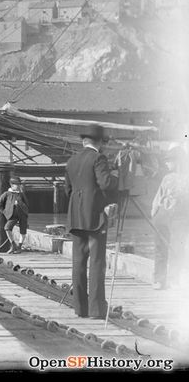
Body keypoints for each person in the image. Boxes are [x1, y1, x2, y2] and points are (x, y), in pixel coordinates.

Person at [64, 124, 118, 319]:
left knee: (78, 264)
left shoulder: (71, 161)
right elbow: (105, 183)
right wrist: (117, 180)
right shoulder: (98, 158)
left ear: (83, 140)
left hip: (75, 220)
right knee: (96, 264)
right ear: (100, 141)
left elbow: (67, 191)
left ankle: (80, 309)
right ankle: (96, 311)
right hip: (94, 220)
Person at [150, 146, 189, 290]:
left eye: (169, 161)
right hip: (163, 216)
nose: (166, 163)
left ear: (178, 161)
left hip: (179, 217)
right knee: (161, 248)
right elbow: (158, 197)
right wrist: (154, 214)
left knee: (176, 249)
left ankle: (173, 280)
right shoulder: (167, 177)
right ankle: (160, 280)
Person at [0, 176, 29, 254]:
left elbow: (27, 203)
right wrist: (5, 212)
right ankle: (13, 245)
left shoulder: (21, 194)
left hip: (22, 214)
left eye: (19, 184)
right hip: (12, 215)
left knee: (23, 231)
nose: (18, 186)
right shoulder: (6, 194)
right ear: (12, 185)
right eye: (16, 184)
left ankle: (19, 247)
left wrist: (25, 212)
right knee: (7, 228)